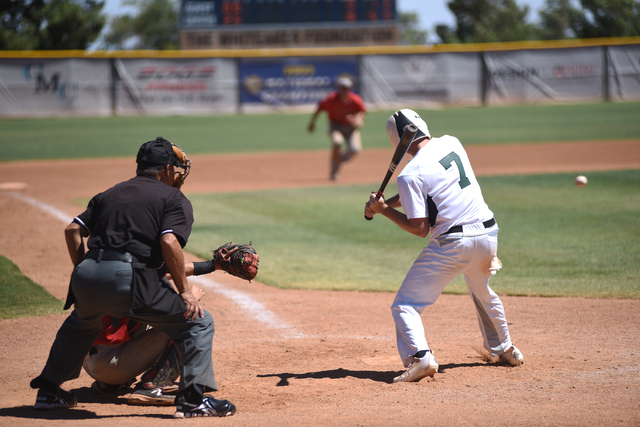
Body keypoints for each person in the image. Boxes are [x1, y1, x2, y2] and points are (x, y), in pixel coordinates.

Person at [30, 137, 236, 418]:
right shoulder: (173, 198)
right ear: (166, 169)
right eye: (174, 169)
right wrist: (185, 291)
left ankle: (49, 392)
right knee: (198, 323)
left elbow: (72, 231)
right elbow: (169, 243)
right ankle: (191, 400)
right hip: (129, 277)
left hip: (87, 273)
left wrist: (82, 270)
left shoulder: (110, 193)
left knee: (80, 325)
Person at [364, 109, 524, 383]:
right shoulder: (452, 142)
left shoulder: (409, 174)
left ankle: (420, 358)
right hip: (488, 235)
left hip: (453, 244)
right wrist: (385, 204)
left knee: (405, 305)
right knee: (482, 290)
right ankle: (506, 348)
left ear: (395, 141)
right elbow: (430, 189)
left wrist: (384, 212)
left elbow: (420, 228)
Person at [307, 76, 367, 180]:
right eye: (342, 88)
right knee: (337, 142)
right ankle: (334, 173)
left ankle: (338, 159)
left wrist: (358, 119)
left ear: (350, 89)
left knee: (355, 149)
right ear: (339, 88)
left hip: (350, 128)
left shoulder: (355, 99)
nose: (344, 90)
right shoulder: (331, 99)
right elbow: (319, 108)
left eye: (347, 88)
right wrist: (312, 123)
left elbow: (362, 111)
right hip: (336, 125)